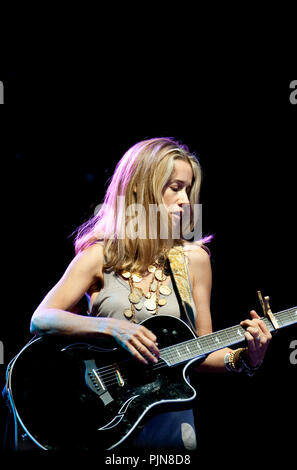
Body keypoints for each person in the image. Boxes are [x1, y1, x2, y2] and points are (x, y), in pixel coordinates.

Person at [30, 137, 272, 450]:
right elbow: (42, 318)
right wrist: (111, 326)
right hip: (107, 424)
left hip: (171, 427)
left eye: (188, 189)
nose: (185, 200)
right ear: (141, 189)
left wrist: (246, 358)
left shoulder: (194, 260)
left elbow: (201, 352)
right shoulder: (98, 257)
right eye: (175, 187)